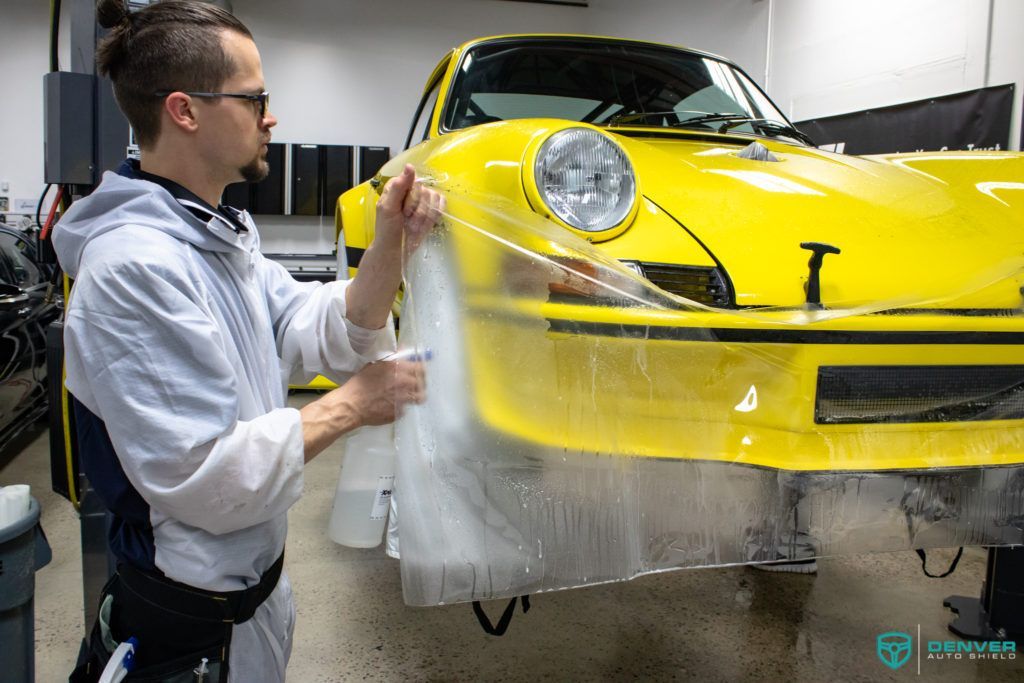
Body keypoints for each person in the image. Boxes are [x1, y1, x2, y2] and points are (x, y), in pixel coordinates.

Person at [56, 1, 443, 680]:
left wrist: (392, 244)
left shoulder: (216, 235)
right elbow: (208, 476)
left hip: (248, 596)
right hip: (188, 620)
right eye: (255, 97)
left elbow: (319, 325)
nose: (271, 116)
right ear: (185, 110)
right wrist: (356, 403)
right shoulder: (133, 268)